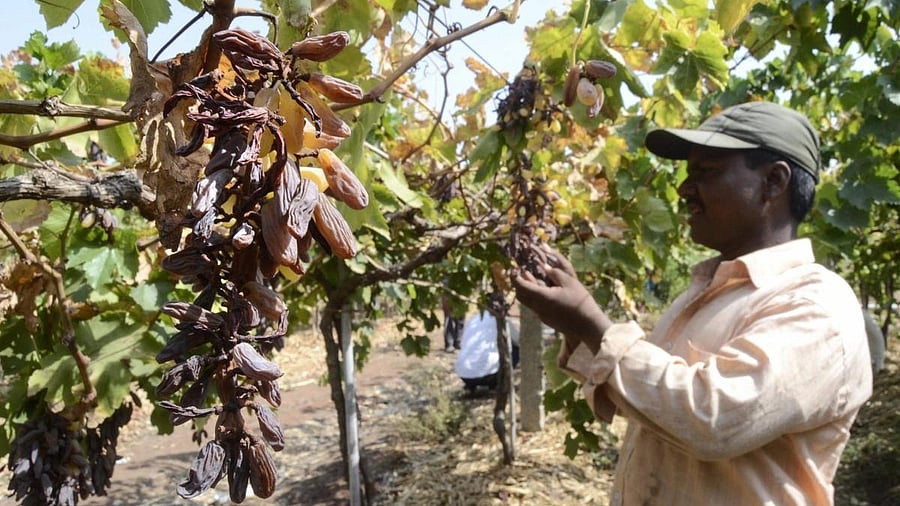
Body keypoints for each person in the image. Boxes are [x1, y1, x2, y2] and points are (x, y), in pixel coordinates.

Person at [513, 101, 873, 505]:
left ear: (773, 182)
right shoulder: (706, 292)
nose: (685, 188)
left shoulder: (816, 304)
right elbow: (655, 403)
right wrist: (575, 326)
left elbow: (712, 419)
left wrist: (593, 324)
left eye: (706, 172)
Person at [454, 311, 520, 394]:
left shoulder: (473, 319)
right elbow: (518, 340)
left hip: (464, 374)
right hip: (490, 375)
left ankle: (471, 386)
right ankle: (498, 383)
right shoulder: (501, 318)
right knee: (515, 349)